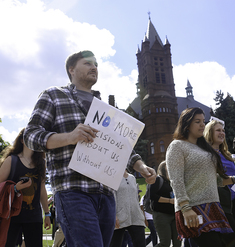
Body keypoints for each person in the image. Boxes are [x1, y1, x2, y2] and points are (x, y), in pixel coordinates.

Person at [23, 50, 156, 247]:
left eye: (96, 64)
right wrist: (69, 137)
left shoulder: (105, 109)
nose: (94, 67)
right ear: (72, 70)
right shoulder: (53, 95)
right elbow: (30, 135)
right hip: (73, 191)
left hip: (106, 195)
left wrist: (141, 167)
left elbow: (121, 147)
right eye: (87, 63)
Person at [166, 107, 235, 247]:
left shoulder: (204, 149)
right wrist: (185, 208)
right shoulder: (177, 146)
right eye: (197, 121)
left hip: (214, 207)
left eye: (203, 121)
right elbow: (176, 180)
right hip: (193, 208)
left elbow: (216, 180)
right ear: (186, 124)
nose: (202, 125)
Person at [0, 128, 51, 247]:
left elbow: (42, 190)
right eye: (30, 137)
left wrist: (47, 214)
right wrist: (15, 188)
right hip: (11, 216)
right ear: (22, 140)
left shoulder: (41, 163)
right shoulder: (11, 160)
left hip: (34, 217)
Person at [204, 118, 235, 247]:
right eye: (218, 130)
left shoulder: (227, 156)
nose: (222, 133)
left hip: (229, 204)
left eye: (223, 130)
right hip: (212, 204)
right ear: (209, 132)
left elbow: (234, 179)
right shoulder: (203, 154)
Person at [110, 169, 146, 247]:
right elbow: (112, 197)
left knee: (141, 244)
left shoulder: (132, 178)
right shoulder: (113, 176)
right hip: (119, 217)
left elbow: (136, 198)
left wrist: (141, 214)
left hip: (136, 216)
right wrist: (114, 215)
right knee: (114, 244)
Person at [150, 161, 181, 247]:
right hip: (161, 216)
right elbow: (152, 196)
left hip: (175, 215)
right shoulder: (157, 179)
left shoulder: (172, 181)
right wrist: (169, 201)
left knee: (178, 243)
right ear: (165, 168)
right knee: (165, 243)